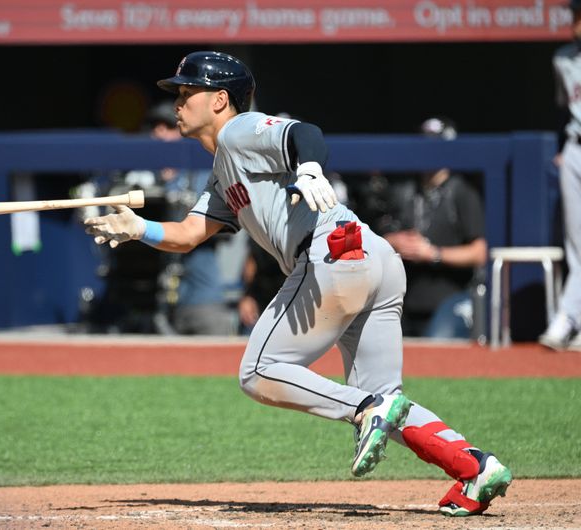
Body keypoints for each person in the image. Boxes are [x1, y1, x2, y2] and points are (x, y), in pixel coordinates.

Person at [84, 51, 512, 516]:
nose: (178, 102)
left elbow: (304, 135)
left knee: (258, 370)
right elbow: (189, 234)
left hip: (331, 253)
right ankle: (474, 467)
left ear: (221, 99)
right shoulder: (224, 168)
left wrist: (308, 168)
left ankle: (364, 408)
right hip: (372, 259)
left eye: (189, 91)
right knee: (387, 400)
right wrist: (138, 229)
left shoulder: (238, 131)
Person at [381, 117, 487, 339]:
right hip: (404, 298)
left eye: (435, 145)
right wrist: (392, 241)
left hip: (452, 297)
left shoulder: (462, 191)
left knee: (437, 341)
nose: (427, 151)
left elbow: (479, 252)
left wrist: (433, 254)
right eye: (423, 144)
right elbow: (375, 234)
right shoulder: (404, 189)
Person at [143, 101, 233, 335]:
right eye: (155, 126)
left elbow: (193, 226)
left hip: (205, 299)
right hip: (164, 299)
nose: (159, 132)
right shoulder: (150, 175)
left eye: (168, 126)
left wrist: (172, 181)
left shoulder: (203, 168)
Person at [540, 0, 581, 350]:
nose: (576, 21)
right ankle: (569, 316)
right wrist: (560, 146)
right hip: (575, 147)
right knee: (576, 242)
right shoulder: (563, 57)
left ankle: (569, 316)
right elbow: (561, 106)